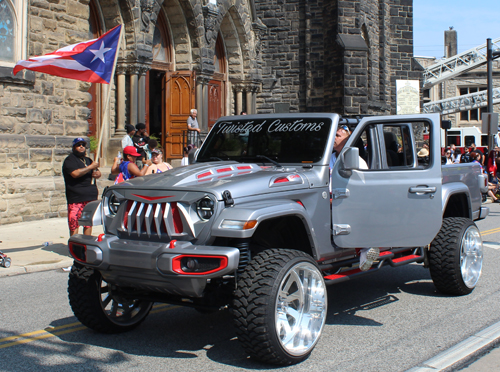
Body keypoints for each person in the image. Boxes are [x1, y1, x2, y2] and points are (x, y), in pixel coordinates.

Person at [330, 125, 376, 271]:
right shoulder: (329, 158)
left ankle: (366, 251)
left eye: (337, 135)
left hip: (350, 198)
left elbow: (364, 186)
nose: (334, 138)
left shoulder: (356, 161)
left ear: (348, 139)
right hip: (330, 197)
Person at [62, 137, 101, 236]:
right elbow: (75, 174)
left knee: (88, 223)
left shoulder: (88, 160)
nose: (81, 147)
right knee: (74, 223)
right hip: (76, 197)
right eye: (78, 145)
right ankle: (75, 245)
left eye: (83, 145)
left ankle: (86, 244)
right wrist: (90, 167)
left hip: (90, 196)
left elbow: (96, 172)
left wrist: (97, 173)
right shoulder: (70, 160)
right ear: (74, 147)